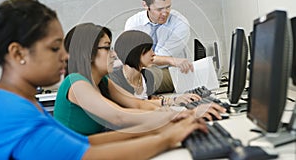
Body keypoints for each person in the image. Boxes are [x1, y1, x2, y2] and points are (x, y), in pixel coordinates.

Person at [0, 0, 208, 160]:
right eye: (54, 48)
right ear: (17, 53)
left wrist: (163, 126)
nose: (65, 56)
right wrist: (166, 136)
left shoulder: (21, 102)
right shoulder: (10, 111)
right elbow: (97, 145)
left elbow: (85, 142)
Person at [53, 23, 225, 136]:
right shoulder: (76, 83)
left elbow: (137, 104)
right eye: (107, 48)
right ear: (87, 53)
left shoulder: (103, 81)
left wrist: (179, 111)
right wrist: (180, 115)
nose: (113, 54)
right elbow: (119, 116)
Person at [124, 0, 193, 93]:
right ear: (145, 5)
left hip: (169, 71)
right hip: (144, 67)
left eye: (168, 7)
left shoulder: (180, 24)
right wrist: (170, 60)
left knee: (145, 75)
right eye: (159, 9)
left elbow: (155, 59)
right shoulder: (133, 23)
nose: (165, 13)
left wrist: (167, 60)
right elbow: (131, 57)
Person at [110, 30, 201, 106]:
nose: (153, 54)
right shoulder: (114, 80)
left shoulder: (148, 76)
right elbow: (131, 105)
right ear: (135, 53)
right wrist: (170, 101)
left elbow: (149, 100)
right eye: (148, 50)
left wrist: (174, 100)